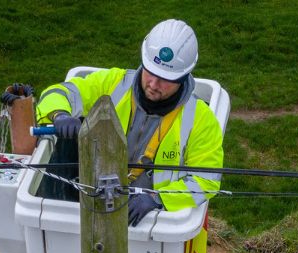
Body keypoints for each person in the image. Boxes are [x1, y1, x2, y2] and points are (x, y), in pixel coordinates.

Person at [33, 18, 224, 226]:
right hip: (93, 200)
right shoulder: (113, 84)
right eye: (150, 71)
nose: (153, 83)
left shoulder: (200, 119)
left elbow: (206, 180)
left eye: (165, 79)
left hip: (151, 220)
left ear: (183, 77)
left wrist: (157, 198)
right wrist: (59, 114)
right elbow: (60, 92)